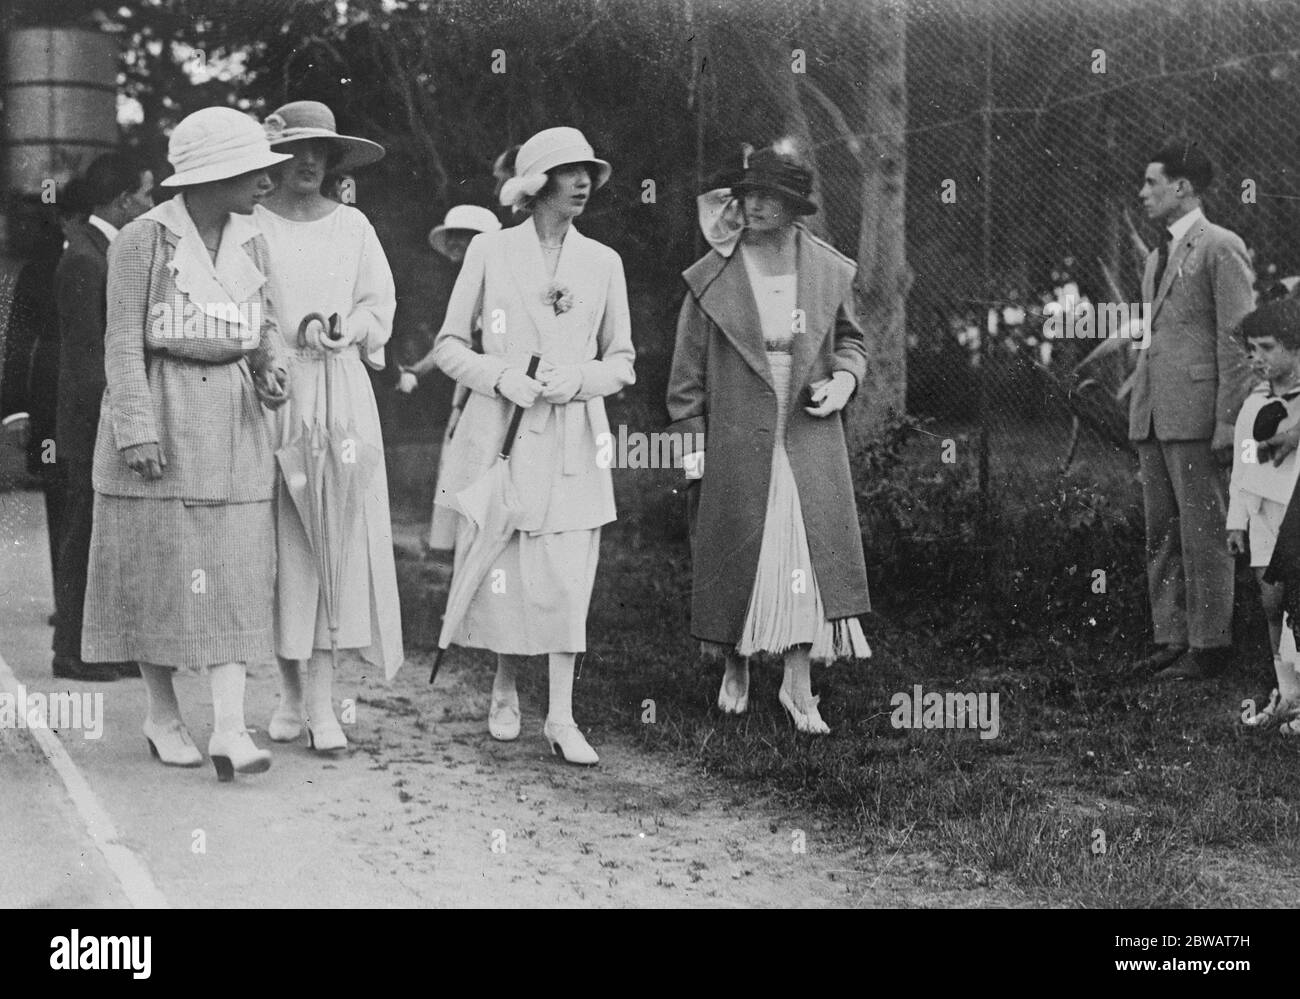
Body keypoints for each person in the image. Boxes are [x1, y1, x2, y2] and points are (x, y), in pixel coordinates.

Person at [80, 106, 292, 781]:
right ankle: (163, 712)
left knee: (232, 573)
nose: (266, 179)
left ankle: (230, 725)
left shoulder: (254, 241)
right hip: (163, 413)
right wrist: (135, 428)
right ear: (210, 176)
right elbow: (120, 341)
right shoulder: (143, 240)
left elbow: (266, 323)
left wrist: (270, 368)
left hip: (234, 421)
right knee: (160, 572)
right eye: (251, 168)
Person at [430, 126, 635, 765]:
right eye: (569, 172)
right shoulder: (490, 251)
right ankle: (503, 687)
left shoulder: (603, 261)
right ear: (537, 182)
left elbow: (623, 361)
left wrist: (579, 379)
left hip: (574, 439)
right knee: (503, 568)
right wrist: (502, 378)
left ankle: (563, 716)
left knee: (568, 577)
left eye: (588, 173)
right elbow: (448, 347)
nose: (582, 183)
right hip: (503, 434)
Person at [667, 145, 871, 736]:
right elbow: (685, 381)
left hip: (807, 426)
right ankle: (735, 665)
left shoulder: (827, 271)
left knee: (805, 549)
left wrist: (844, 378)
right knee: (739, 544)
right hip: (735, 428)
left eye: (769, 197)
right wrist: (694, 450)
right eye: (748, 194)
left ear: (791, 208)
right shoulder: (713, 275)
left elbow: (853, 342)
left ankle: (798, 683)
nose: (754, 205)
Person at [255, 100, 404, 752]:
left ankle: (322, 705)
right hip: (276, 396)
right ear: (278, 159)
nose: (310, 161)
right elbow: (243, 305)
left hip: (340, 393)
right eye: (297, 150)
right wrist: (275, 349)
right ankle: (288, 694)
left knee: (330, 539)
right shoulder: (251, 226)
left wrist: (351, 327)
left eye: (322, 151)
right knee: (281, 546)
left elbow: (379, 305)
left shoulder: (353, 226)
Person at [1127, 141, 1255, 681]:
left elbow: (1238, 340)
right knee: (1161, 531)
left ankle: (1209, 646)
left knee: (1203, 533)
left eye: (1153, 182)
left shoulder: (1220, 247)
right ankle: (1172, 638)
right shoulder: (1158, 257)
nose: (1143, 192)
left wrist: (1229, 420)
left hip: (1200, 417)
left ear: (1182, 188)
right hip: (1156, 415)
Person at [52, 153, 155, 682]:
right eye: (146, 193)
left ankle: (100, 646)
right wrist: (123, 417)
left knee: (104, 539)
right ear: (122, 202)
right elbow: (87, 358)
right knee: (82, 540)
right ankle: (70, 650)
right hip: (91, 423)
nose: (151, 203)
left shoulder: (102, 252)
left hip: (104, 419)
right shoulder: (85, 259)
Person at [401, 204, 503, 552]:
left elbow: (477, 341)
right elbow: (452, 342)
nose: (457, 243)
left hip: (495, 384)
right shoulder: (463, 281)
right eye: (454, 236)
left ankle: (475, 543)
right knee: (461, 458)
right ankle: (451, 543)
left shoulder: (498, 282)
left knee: (482, 458)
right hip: (469, 384)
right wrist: (419, 370)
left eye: (466, 236)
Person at [1227, 301, 1300, 729]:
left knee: (1298, 605)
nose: (1257, 358)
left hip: (1297, 515)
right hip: (1264, 516)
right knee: (1272, 604)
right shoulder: (1254, 403)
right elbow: (1244, 464)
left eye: (1268, 347)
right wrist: (1237, 518)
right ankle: (1289, 695)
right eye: (1252, 349)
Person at [0, 195, 67, 634]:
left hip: (62, 406)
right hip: (48, 411)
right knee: (59, 499)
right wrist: (17, 410)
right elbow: (18, 344)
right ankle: (69, 603)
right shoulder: (37, 272)